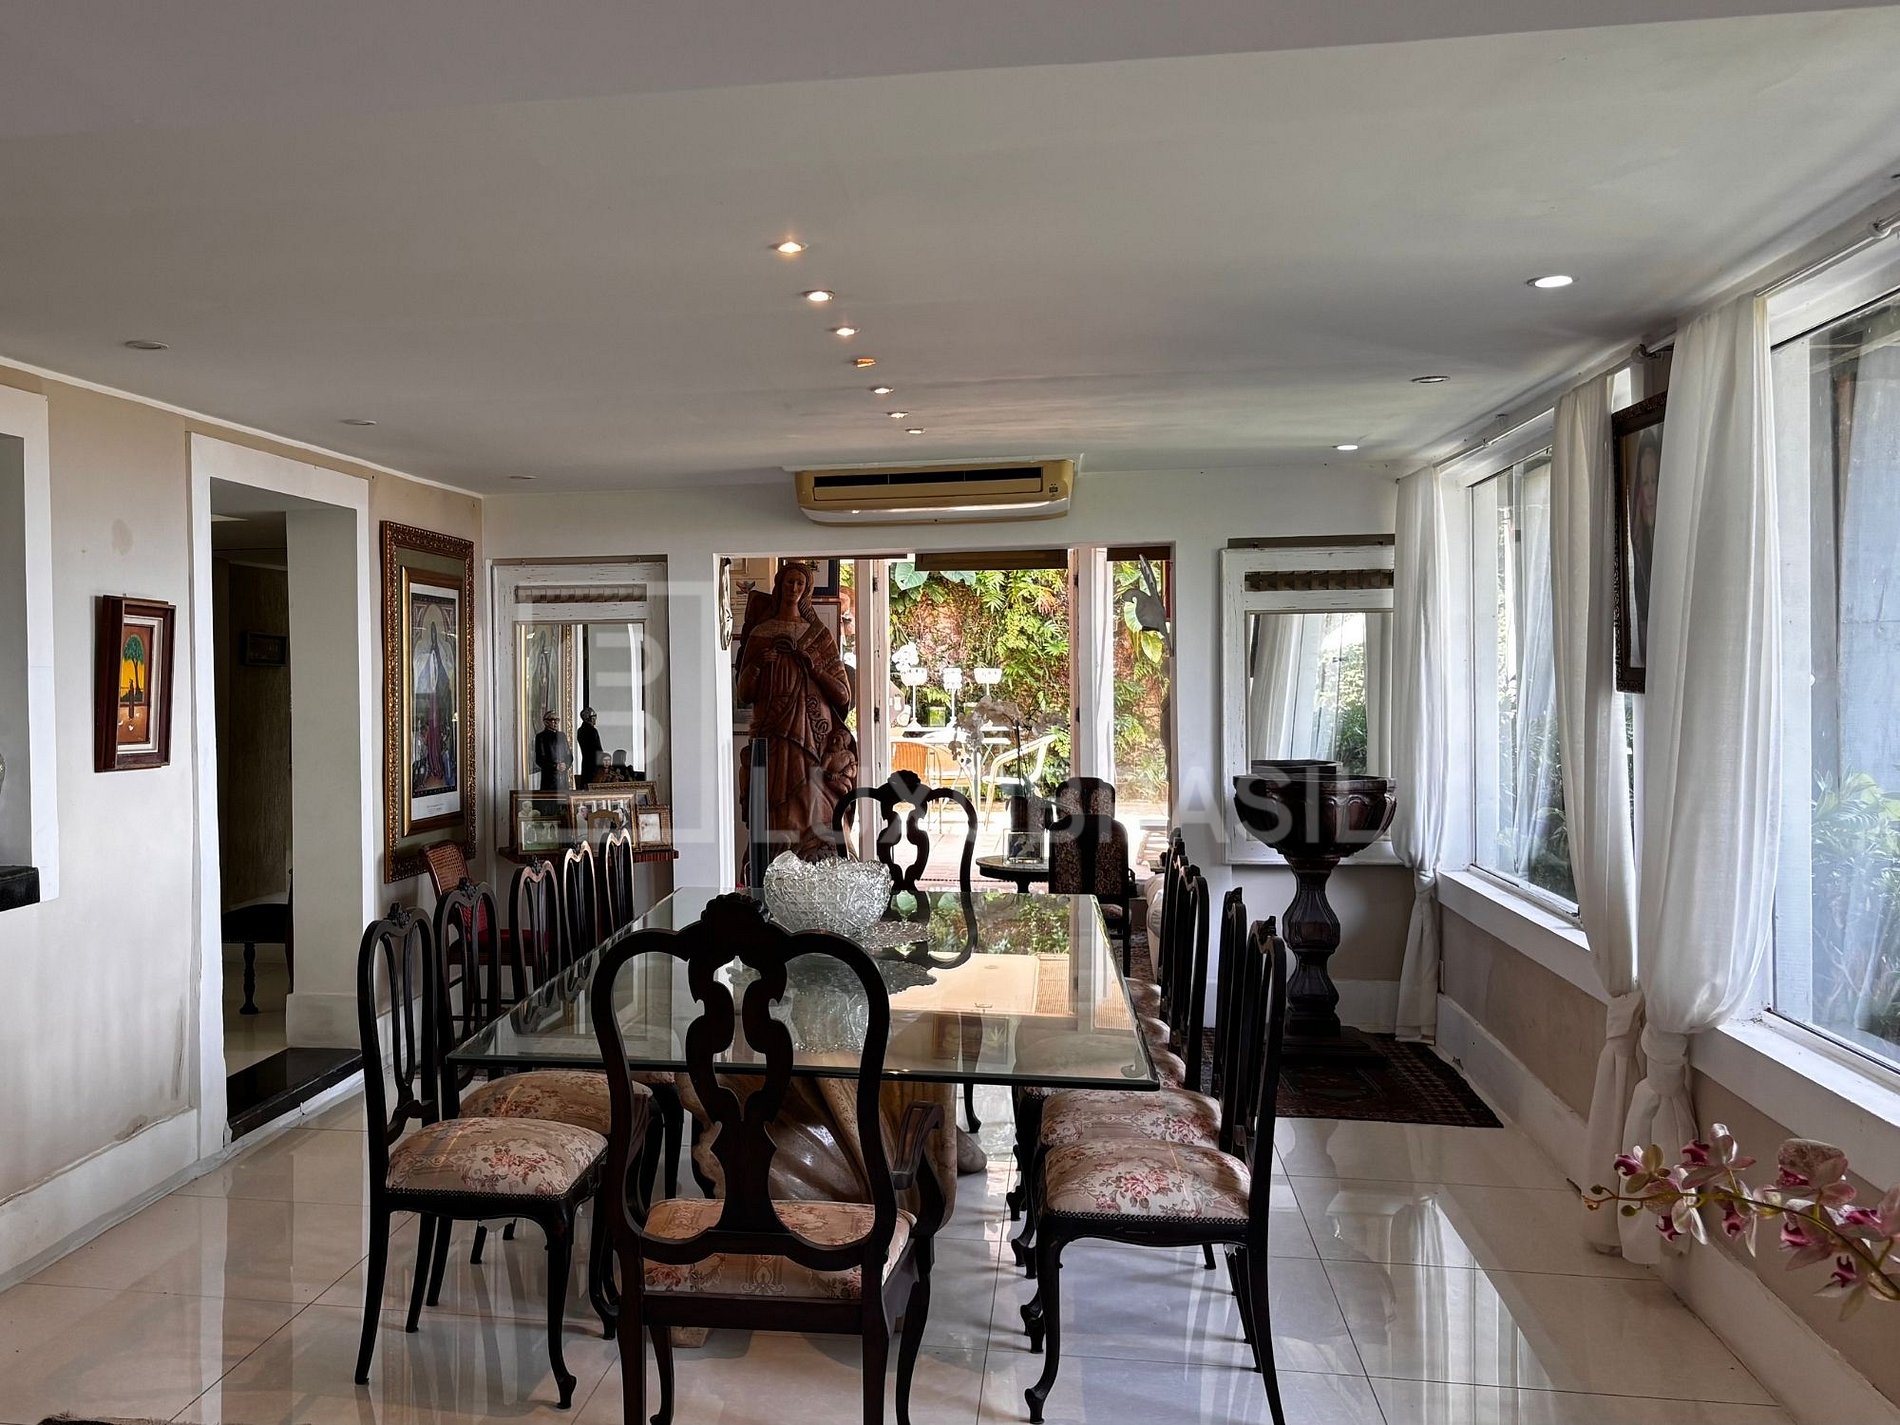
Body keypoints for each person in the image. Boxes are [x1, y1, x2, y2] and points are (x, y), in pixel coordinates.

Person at [735, 561, 857, 859]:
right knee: (775, 798)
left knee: (812, 793)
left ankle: (815, 855)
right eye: (789, 582)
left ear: (807, 591)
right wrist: (760, 663)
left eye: (800, 584)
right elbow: (744, 693)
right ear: (779, 586)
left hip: (813, 734)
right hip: (773, 733)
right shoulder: (762, 632)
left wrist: (814, 668)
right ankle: (774, 861)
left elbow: (843, 695)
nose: (794, 588)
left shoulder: (819, 635)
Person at [533, 710, 571, 791]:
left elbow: (569, 755)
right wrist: (555, 766)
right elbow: (539, 759)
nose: (556, 722)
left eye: (557, 720)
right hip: (549, 779)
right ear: (546, 722)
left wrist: (566, 764)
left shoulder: (562, 735)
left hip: (563, 778)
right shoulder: (541, 737)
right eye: (553, 720)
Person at [575, 706, 603, 789]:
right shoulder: (593, 731)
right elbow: (598, 749)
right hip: (595, 765)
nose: (595, 719)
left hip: (586, 764)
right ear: (589, 718)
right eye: (594, 716)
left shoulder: (580, 730)